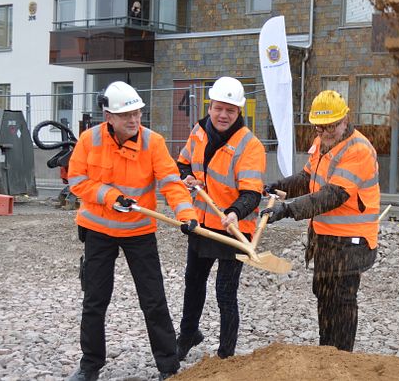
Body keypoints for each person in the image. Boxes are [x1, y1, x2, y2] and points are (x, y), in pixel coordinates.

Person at [66, 81, 198, 381]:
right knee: (95, 299)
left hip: (139, 232)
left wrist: (186, 213)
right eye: (126, 115)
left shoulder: (153, 142)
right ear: (108, 116)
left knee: (153, 300)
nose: (134, 120)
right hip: (98, 230)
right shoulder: (89, 140)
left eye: (137, 113)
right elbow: (77, 180)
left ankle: (169, 367)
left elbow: (170, 182)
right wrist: (111, 197)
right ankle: (90, 365)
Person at [261, 90, 380, 352]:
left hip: (352, 242)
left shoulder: (358, 150)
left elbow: (333, 195)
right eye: (320, 127)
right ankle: (326, 356)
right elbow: (307, 178)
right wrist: (279, 186)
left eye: (332, 127)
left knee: (342, 299)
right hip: (325, 238)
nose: (326, 133)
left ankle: (342, 359)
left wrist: (289, 210)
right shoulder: (320, 143)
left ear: (345, 120)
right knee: (324, 295)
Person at [174, 76, 266, 361]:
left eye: (231, 110)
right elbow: (182, 162)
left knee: (225, 293)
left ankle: (226, 355)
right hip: (201, 224)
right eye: (218, 108)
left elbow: (252, 193)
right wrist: (184, 175)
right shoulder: (199, 131)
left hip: (233, 229)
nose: (223, 115)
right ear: (210, 106)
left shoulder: (250, 145)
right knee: (193, 283)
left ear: (239, 112)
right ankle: (188, 334)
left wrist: (234, 212)